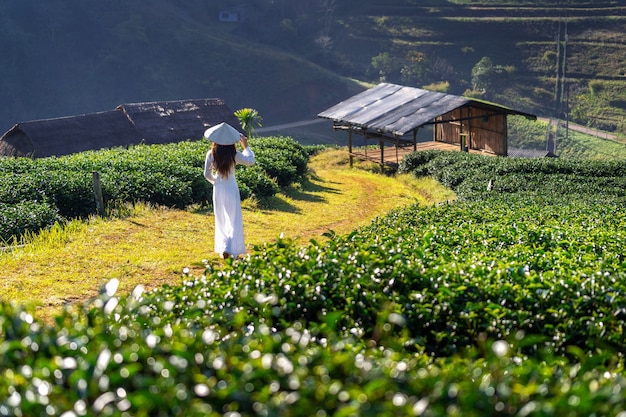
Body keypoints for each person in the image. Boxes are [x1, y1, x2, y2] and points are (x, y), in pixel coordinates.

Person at [203, 123, 255, 259]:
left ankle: (225, 247)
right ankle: (233, 251)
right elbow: (250, 161)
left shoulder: (211, 154)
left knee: (221, 218)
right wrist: (246, 146)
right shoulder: (234, 154)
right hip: (231, 187)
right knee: (234, 218)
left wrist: (215, 181)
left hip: (219, 188)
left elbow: (206, 174)